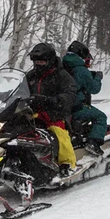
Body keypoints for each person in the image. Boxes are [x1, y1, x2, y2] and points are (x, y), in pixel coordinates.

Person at [26, 42, 78, 177]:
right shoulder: (31, 76)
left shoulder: (62, 76)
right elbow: (17, 89)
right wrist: (0, 95)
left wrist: (50, 100)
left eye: (42, 62)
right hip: (33, 113)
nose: (39, 65)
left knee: (58, 132)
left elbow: (70, 95)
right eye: (36, 62)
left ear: (50, 61)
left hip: (56, 113)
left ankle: (66, 164)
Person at [62, 41, 107, 157]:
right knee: (101, 117)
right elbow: (94, 89)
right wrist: (97, 78)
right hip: (76, 108)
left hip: (62, 107)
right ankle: (93, 142)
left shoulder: (61, 66)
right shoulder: (81, 69)